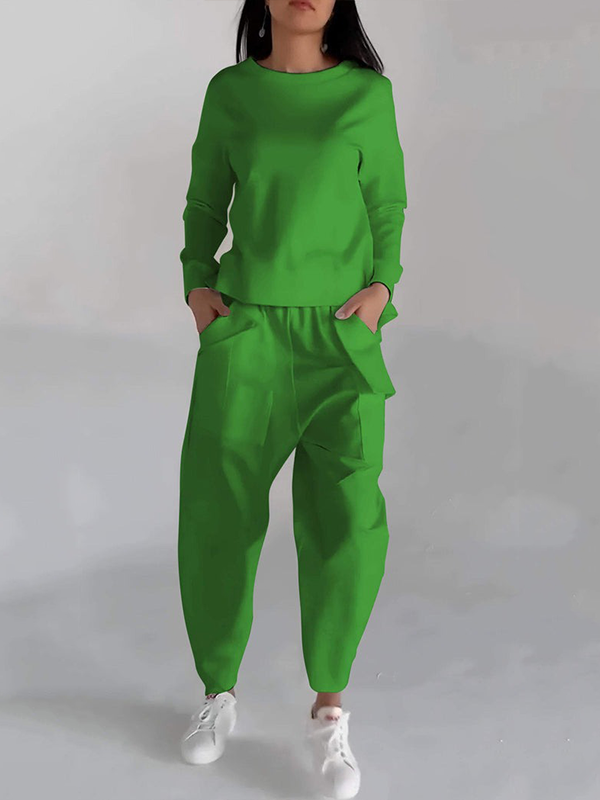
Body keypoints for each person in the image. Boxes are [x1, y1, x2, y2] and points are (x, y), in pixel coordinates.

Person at [177, 1, 408, 796]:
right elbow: (205, 199)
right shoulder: (232, 92)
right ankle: (217, 692)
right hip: (249, 333)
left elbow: (386, 203)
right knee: (219, 508)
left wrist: (383, 287)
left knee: (348, 518)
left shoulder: (367, 95)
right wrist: (197, 284)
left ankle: (330, 709)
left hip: (341, 333)